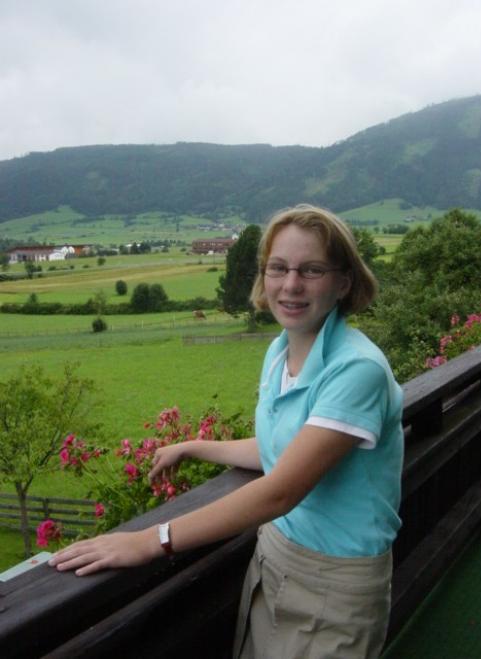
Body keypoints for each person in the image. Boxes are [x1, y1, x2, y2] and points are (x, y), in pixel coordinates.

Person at [49, 204, 404, 659]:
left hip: (334, 584)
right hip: (274, 558)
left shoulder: (357, 369)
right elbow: (283, 450)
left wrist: (148, 541)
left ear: (344, 283)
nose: (291, 284)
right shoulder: (280, 353)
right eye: (278, 268)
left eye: (312, 270)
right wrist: (194, 446)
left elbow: (282, 490)